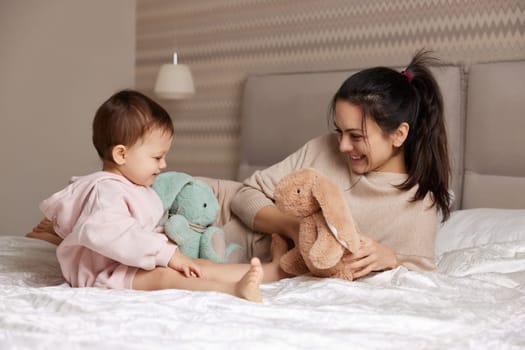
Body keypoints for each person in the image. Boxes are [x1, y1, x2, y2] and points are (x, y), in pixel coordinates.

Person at [33, 89, 287, 302]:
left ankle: (272, 270)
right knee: (165, 277)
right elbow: (116, 234)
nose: (164, 164)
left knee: (200, 267)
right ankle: (233, 290)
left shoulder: (134, 186)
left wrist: (172, 251)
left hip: (134, 262)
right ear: (121, 154)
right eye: (157, 157)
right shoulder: (105, 190)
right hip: (106, 272)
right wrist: (167, 254)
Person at [230, 49, 452, 279]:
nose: (343, 146)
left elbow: (422, 279)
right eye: (339, 131)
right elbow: (243, 195)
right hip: (225, 221)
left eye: (356, 136)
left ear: (398, 134)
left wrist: (393, 261)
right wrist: (293, 227)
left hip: (245, 260)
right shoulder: (323, 149)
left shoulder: (417, 204)